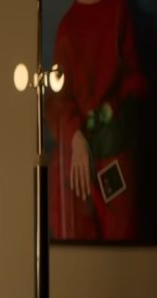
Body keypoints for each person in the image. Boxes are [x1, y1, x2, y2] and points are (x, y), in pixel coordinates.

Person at [45, 0, 148, 242]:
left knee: (120, 243)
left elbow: (135, 82)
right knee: (79, 246)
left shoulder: (117, 11)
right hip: (77, 161)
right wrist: (75, 137)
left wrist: (111, 109)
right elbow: (58, 100)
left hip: (114, 150)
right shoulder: (68, 27)